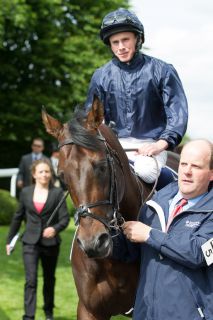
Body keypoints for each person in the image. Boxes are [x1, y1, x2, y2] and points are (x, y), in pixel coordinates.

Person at [112, 139, 213, 320]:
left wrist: (150, 235)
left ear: (211, 174)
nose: (187, 172)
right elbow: (132, 253)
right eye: (183, 164)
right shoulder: (154, 203)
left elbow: (198, 253)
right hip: (146, 314)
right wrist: (108, 231)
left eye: (196, 167)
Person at [86, 8, 188, 184]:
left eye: (125, 40)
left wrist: (160, 144)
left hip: (152, 144)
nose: (121, 47)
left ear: (138, 39)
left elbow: (177, 114)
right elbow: (93, 118)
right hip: (114, 144)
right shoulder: (101, 76)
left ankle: (174, 193)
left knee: (145, 171)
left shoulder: (162, 70)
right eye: (115, 42)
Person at [6, 159, 70, 320]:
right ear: (34, 174)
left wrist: (54, 229)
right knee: (31, 280)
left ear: (51, 174)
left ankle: (49, 313)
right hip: (29, 242)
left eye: (47, 171)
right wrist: (9, 240)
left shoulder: (57, 193)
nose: (44, 174)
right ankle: (29, 316)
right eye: (41, 171)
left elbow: (64, 219)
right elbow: (18, 217)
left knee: (49, 279)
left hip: (51, 245)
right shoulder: (26, 192)